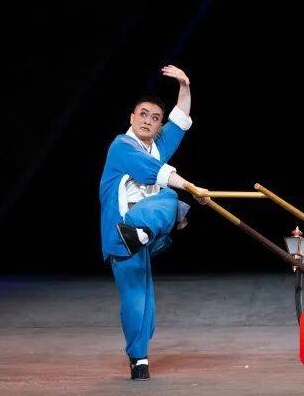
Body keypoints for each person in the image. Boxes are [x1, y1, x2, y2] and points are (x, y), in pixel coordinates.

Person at [98, 64, 208, 380]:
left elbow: (180, 120)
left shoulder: (156, 146)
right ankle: (138, 357)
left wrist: (185, 85)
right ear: (132, 117)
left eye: (155, 118)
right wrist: (192, 187)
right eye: (143, 114)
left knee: (146, 301)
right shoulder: (121, 146)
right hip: (122, 231)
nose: (148, 120)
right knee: (173, 198)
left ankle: (140, 358)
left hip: (140, 236)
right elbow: (159, 173)